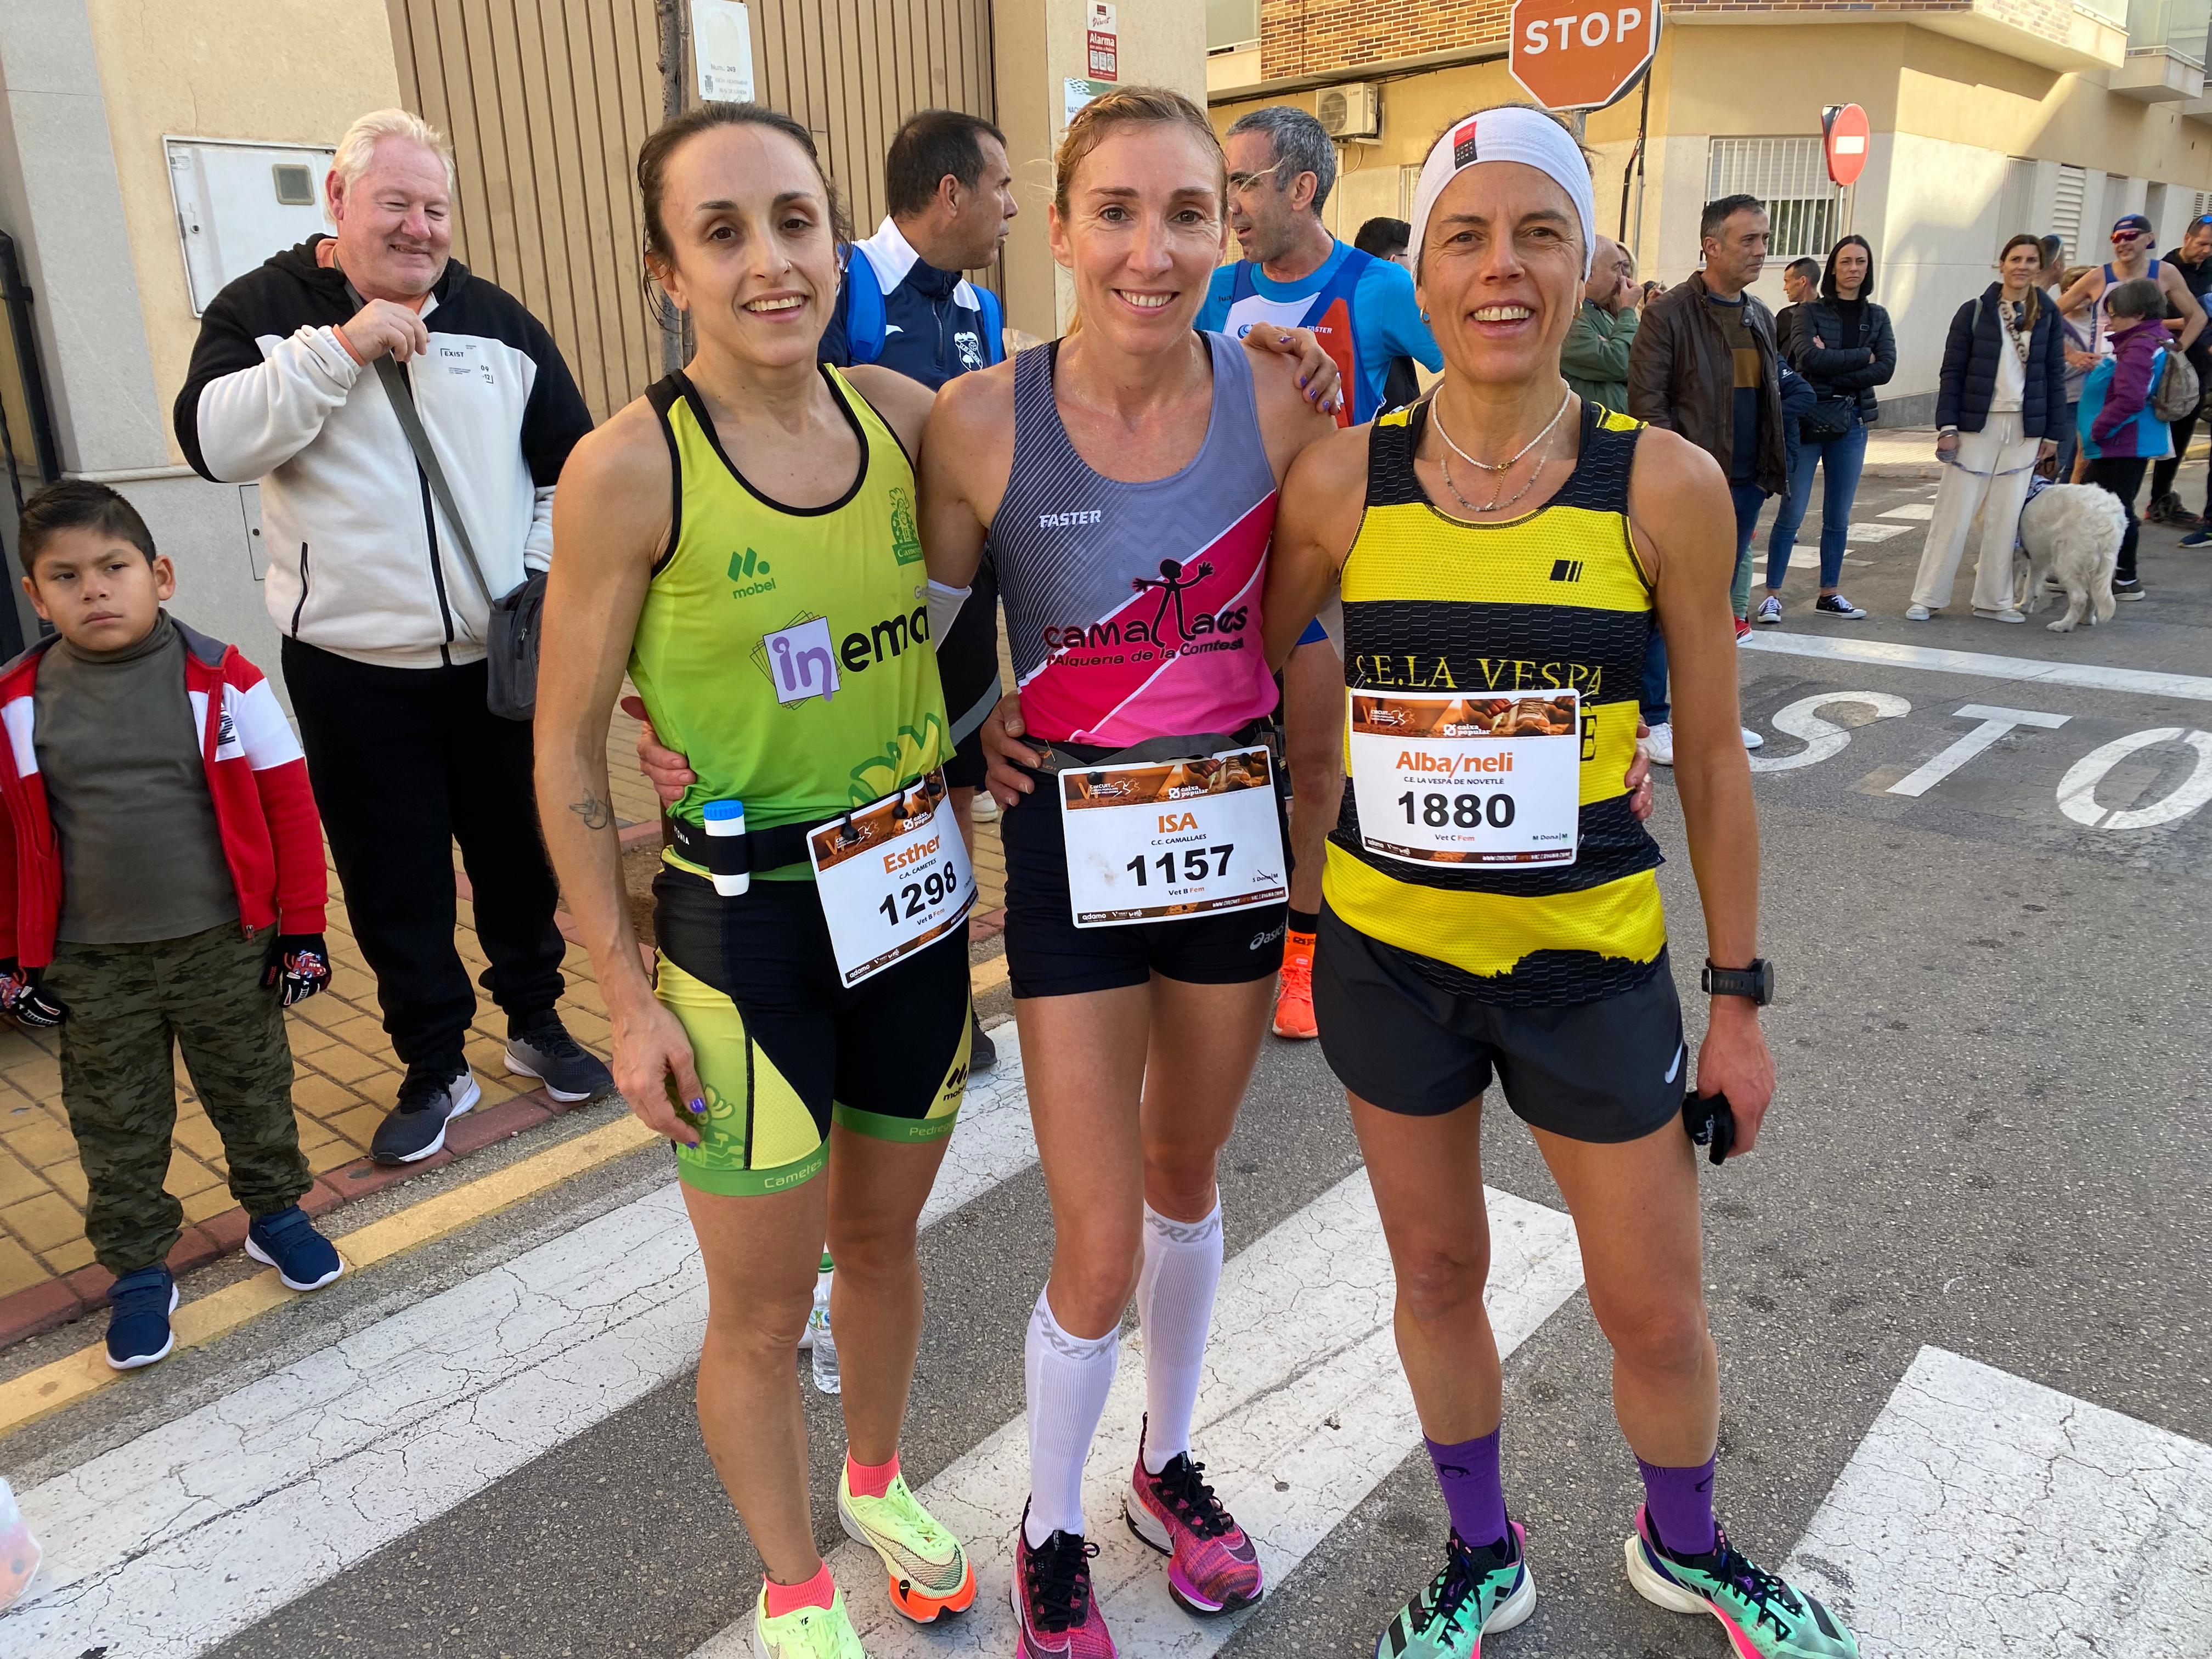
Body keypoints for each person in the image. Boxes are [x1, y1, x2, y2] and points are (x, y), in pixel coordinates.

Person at [590, 97, 1345, 1659]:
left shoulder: (1281, 401)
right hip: (1030, 863)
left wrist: (1326, 815)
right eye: (1116, 211)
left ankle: (1164, 1466)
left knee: (1185, 1187)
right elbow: (926, 631)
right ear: (1051, 228)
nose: (1153, 248)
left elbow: (1314, 620)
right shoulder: (974, 418)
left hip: (1210, 842)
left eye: (1191, 212)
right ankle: (1044, 1524)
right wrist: (928, 740)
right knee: (1086, 1232)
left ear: (1232, 225)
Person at [1260, 103, 1857, 1659]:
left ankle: (1690, 1545)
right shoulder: (1337, 482)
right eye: (1466, 234)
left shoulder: (1661, 486)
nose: (1502, 269)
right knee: (1439, 1271)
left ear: (1585, 259)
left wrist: (1738, 1002)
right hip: (1392, 960)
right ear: (1428, 269)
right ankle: (1480, 1555)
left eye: (1538, 234)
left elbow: (1715, 763)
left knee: (1654, 1307)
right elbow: (1242, 673)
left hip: (1590, 965)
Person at [535, 103, 988, 1659]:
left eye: (794, 220)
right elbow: (567, 758)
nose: (770, 261)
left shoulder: (903, 413)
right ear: (668, 270)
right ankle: (792, 1582)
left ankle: (874, 1481)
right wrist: (618, 996)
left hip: (913, 897)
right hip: (744, 936)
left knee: (884, 1243)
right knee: (756, 1307)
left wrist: (1269, 378)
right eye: (722, 232)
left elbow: (1095, 448)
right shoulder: (625, 470)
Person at [173, 109, 611, 1165]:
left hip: (493, 661)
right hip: (352, 668)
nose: (419, 228)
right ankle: (432, 1060)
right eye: (395, 204)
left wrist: (538, 577)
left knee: (515, 853)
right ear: (338, 203)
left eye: (435, 208)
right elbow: (213, 441)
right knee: (392, 872)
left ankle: (536, 1023)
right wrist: (338, 350)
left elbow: (574, 467)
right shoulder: (266, 312)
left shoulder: (496, 322)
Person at [0, 481, 342, 1373]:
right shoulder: (15, 704)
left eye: (113, 568)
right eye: (65, 576)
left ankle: (276, 1216)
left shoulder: (225, 679)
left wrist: (302, 928)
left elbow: (290, 808)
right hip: (92, 962)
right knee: (114, 1121)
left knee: (251, 1088)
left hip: (225, 944)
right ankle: (140, 1267)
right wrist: (10, 958)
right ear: (36, 596)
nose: (95, 590)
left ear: (161, 573)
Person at [1199, 104, 1444, 1043]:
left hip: (1326, 582)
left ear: (1301, 188)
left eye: (1244, 183)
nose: (1231, 204)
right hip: (1220, 573)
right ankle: (1224, 931)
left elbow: (1468, 380)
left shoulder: (1376, 289)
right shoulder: (1215, 290)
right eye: (1225, 186)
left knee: (1312, 769)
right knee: (1221, 763)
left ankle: (1302, 953)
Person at [817, 106, 1019, 1070]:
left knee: (957, 787)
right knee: (874, 793)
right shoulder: (837, 284)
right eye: (1002, 187)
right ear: (951, 192)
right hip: (864, 607)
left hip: (964, 605)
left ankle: (945, 993)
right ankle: (869, 988)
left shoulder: (980, 311)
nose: (1010, 209)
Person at [1627, 194, 1782, 763]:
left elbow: (1766, 399)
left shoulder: (1760, 316)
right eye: (1749, 240)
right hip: (1688, 489)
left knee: (1718, 606)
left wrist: (1769, 471)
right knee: (1666, 606)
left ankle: (1710, 718)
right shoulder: (1667, 315)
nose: (1761, 251)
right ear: (1711, 246)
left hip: (1743, 487)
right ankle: (1656, 717)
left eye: (1764, 239)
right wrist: (1675, 480)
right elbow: (1648, 406)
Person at [1908, 234, 2067, 622]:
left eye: (2031, 260)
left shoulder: (2047, 313)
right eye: (2016, 258)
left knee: (2005, 517)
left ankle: (1993, 601)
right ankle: (1927, 596)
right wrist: (1947, 426)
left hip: (2024, 431)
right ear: (2002, 263)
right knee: (1954, 514)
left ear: (2040, 267)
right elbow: (1953, 371)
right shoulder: (1975, 311)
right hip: (1975, 426)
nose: (2023, 266)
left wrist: (2052, 435)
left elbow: (2054, 375)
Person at [1759, 233, 1892, 623]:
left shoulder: (1877, 317)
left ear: (1868, 269)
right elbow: (1808, 359)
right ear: (1833, 267)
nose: (1853, 269)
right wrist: (1860, 358)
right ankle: (1772, 596)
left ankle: (1829, 592)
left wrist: (1834, 361)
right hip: (1807, 421)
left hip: (1851, 421)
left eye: (1861, 262)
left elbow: (1885, 368)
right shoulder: (1808, 313)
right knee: (1792, 510)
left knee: (1839, 514)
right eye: (1846, 261)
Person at [2077, 275, 2173, 602]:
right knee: (2114, 506)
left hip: (2121, 442)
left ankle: (2123, 578)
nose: (2111, 320)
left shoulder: (2140, 346)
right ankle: (2118, 576)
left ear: (2140, 315)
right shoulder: (2151, 340)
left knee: (2111, 508)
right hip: (2128, 440)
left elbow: (2131, 398)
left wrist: (2099, 430)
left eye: (2116, 313)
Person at [2058, 212, 2205, 368]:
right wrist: (2070, 354)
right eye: (2116, 238)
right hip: (2103, 372)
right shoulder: (2097, 277)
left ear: (2149, 238)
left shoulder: (2165, 273)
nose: (2122, 243)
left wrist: (2176, 353)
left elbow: (2198, 317)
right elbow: (2046, 314)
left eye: (2130, 236)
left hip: (2147, 372)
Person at [2146, 215, 2212, 528]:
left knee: (2181, 434)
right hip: (2162, 361)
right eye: (2202, 243)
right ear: (2187, 238)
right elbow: (2150, 319)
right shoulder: (2164, 270)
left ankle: (2161, 499)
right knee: (2148, 432)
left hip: (2197, 366)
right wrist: (2191, 321)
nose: (2206, 250)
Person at [1355, 215, 1425, 410]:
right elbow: (1455, 356)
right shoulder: (1394, 287)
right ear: (1393, 262)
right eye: (1415, 258)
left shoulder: (1350, 293)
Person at [1562, 234, 1638, 414]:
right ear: (1588, 274)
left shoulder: (1603, 314)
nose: (1621, 278)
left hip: (1615, 428)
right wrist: (1627, 311)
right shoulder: (1569, 319)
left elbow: (1641, 367)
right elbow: (1621, 363)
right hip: (1589, 433)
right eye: (1615, 269)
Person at [1774, 255, 1820, 359]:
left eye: (1787, 281)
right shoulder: (1785, 316)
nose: (1785, 288)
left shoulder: (1829, 316)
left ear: (1803, 281)